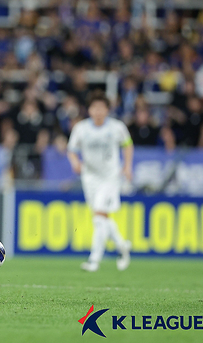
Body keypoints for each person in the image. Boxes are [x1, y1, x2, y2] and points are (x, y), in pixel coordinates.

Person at [67, 93, 133, 272]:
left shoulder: (117, 127)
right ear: (89, 110)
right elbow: (71, 149)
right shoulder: (81, 128)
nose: (97, 111)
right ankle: (122, 247)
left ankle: (94, 260)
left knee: (98, 216)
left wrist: (127, 167)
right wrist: (75, 162)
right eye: (94, 108)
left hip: (111, 177)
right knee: (101, 216)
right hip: (90, 178)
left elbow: (128, 145)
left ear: (107, 110)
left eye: (101, 108)